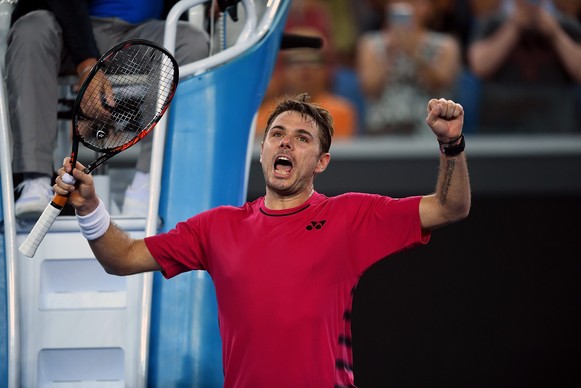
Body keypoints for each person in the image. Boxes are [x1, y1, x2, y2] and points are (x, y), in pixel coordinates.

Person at [54, 94, 470, 387]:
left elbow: (449, 207)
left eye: (302, 138)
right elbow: (122, 258)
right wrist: (90, 206)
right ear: (264, 149)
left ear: (322, 162)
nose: (286, 141)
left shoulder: (352, 216)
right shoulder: (216, 227)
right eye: (277, 133)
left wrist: (451, 144)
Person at [6, 0, 210, 220]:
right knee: (32, 29)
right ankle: (35, 182)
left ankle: (147, 185)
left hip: (140, 34)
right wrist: (87, 65)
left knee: (191, 41)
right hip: (65, 27)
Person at [467, 0, 581, 133]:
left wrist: (556, 34)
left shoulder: (566, 25)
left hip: (556, 122)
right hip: (501, 123)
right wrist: (513, 28)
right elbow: (478, 66)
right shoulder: (492, 22)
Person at [356, 0, 461, 135]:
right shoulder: (370, 43)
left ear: (430, 7)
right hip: (382, 128)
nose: (410, 7)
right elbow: (370, 88)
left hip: (428, 128)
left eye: (417, 2)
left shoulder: (446, 45)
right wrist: (391, 52)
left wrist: (413, 51)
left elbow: (440, 85)